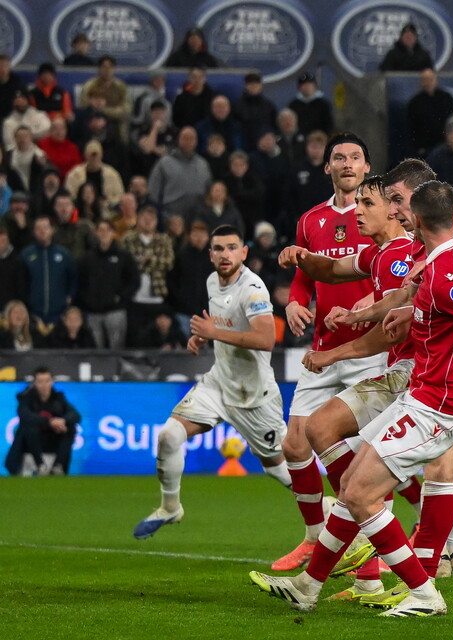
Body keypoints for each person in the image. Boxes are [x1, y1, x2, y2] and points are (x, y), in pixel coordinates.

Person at [249, 181, 453, 617]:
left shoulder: (451, 272)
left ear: (420, 216)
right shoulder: (435, 263)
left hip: (437, 407)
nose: (395, 212)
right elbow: (439, 309)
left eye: (399, 204)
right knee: (354, 480)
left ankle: (424, 594)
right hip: (421, 394)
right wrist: (403, 310)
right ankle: (307, 586)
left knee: (359, 496)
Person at [268, 133, 385, 571]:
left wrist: (369, 307)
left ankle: (377, 553)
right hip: (322, 348)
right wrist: (295, 300)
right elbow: (306, 272)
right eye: (339, 157)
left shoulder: (380, 216)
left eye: (356, 157)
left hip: (368, 349)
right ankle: (314, 537)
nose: (347, 163)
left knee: (363, 458)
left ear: (367, 166)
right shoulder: (310, 220)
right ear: (327, 167)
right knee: (295, 446)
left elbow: (393, 272)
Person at [132, 224, 290, 537]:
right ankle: (170, 507)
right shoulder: (211, 281)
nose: (225, 254)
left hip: (254, 395)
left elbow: (266, 338)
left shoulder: (253, 288)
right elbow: (223, 321)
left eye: (232, 247)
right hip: (218, 384)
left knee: (281, 470)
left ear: (244, 252)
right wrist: (202, 339)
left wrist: (214, 333)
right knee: (168, 436)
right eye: (218, 248)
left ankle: (333, 512)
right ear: (210, 254)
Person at [4, 367, 80, 476]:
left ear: (52, 382)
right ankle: (40, 465)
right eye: (40, 382)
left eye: (47, 381)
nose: (44, 385)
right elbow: (25, 416)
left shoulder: (58, 398)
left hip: (52, 440)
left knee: (70, 428)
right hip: (31, 442)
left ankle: (58, 466)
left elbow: (76, 415)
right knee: (29, 427)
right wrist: (49, 422)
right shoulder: (26, 398)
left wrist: (62, 421)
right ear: (35, 383)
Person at [76, 219, 138, 349]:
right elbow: (80, 281)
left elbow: (134, 280)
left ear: (113, 233)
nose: (104, 233)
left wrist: (121, 297)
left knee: (116, 349)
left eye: (107, 230)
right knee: (95, 349)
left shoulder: (123, 255)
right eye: (100, 230)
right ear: (96, 233)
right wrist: (87, 300)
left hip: (115, 311)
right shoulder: (87, 258)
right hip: (93, 312)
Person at [122, 205, 175, 341]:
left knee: (155, 337)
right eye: (144, 218)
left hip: (157, 297)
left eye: (151, 219)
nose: (147, 222)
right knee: (135, 338)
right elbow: (127, 263)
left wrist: (145, 260)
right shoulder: (128, 239)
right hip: (134, 297)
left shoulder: (164, 240)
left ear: (156, 221)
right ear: (138, 220)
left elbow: (168, 262)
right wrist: (152, 262)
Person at [20, 216, 76, 324]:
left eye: (45, 227)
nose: (42, 231)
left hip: (59, 312)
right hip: (33, 313)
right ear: (34, 231)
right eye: (38, 228)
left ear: (52, 230)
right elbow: (20, 281)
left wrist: (70, 296)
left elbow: (73, 277)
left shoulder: (64, 254)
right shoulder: (26, 255)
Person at [148, 127, 213, 220]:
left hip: (198, 220)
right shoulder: (165, 162)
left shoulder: (203, 164)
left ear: (196, 141)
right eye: (185, 138)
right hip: (171, 218)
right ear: (178, 140)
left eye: (191, 138)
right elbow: (153, 192)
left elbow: (209, 193)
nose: (188, 142)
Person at [406, 69, 453, 158]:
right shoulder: (415, 102)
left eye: (431, 79)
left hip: (445, 145)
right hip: (425, 147)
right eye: (425, 80)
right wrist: (418, 146)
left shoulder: (446, 98)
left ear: (436, 80)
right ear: (421, 82)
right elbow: (411, 128)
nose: (428, 83)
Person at [233, 72, 277, 151]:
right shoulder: (237, 105)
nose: (253, 87)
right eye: (250, 84)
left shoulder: (268, 106)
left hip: (265, 147)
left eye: (256, 84)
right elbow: (235, 129)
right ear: (245, 86)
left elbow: (274, 127)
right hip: (244, 147)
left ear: (261, 86)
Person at [288, 72, 333, 137]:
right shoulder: (294, 105)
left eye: (309, 85)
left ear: (314, 86)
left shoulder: (323, 104)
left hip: (320, 139)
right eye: (304, 85)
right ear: (299, 88)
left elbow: (329, 124)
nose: (307, 87)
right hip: (299, 139)